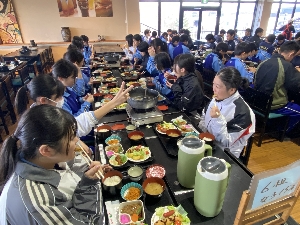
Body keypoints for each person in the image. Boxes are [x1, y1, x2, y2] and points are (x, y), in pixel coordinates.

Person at [0, 105, 108, 224]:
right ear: (46, 150)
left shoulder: (40, 160)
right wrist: (89, 186)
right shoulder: (38, 202)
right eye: (71, 138)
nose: (77, 141)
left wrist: (87, 181)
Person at [198, 67, 255, 158]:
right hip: (208, 143)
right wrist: (201, 133)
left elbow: (226, 142)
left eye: (217, 86)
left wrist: (218, 119)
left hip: (225, 154)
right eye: (213, 84)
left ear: (232, 90)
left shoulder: (243, 113)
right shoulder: (218, 97)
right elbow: (204, 116)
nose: (214, 89)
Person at [254, 41, 300, 132]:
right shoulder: (287, 66)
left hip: (257, 101)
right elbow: (296, 85)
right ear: (291, 54)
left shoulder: (264, 62)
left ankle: (271, 125)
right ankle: (281, 131)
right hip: (272, 105)